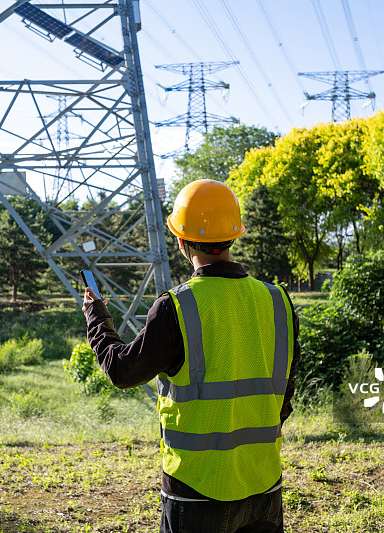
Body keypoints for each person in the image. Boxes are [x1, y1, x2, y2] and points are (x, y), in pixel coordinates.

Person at [82, 179, 300, 533]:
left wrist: (96, 318)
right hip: (263, 484)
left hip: (196, 491)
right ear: (234, 235)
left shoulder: (176, 307)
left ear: (181, 242)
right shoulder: (277, 300)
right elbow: (285, 390)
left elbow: (122, 371)